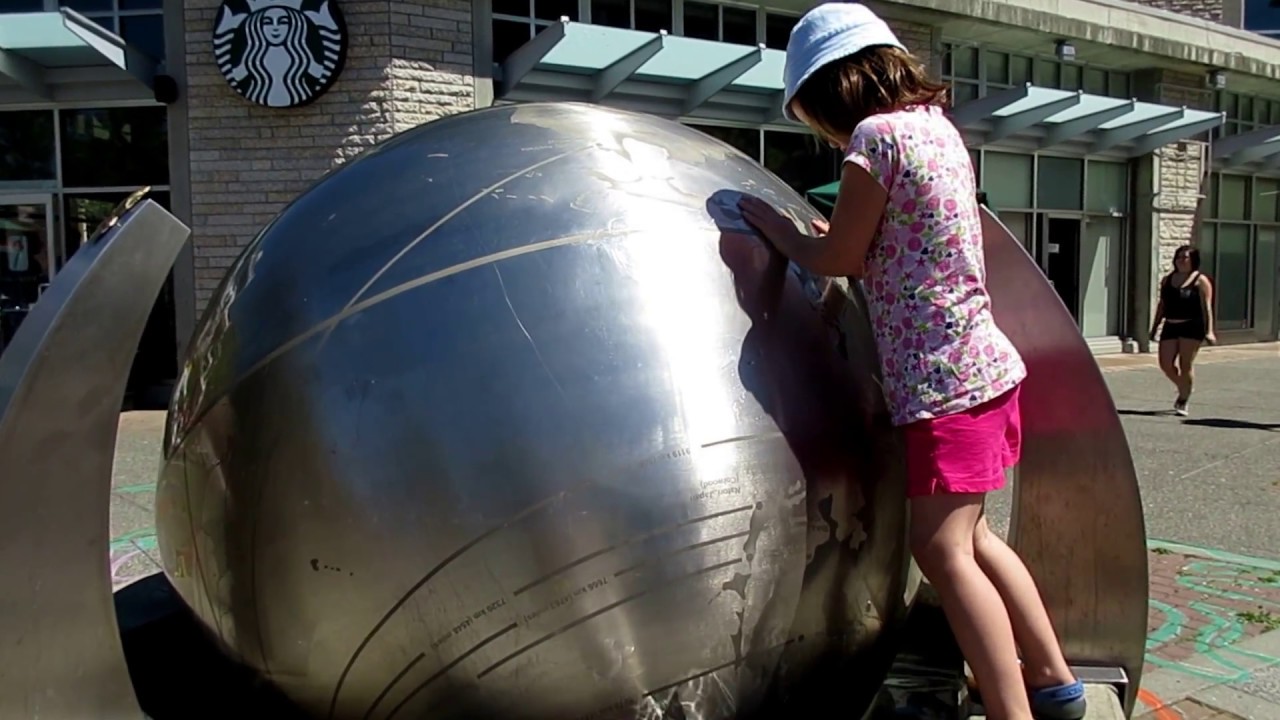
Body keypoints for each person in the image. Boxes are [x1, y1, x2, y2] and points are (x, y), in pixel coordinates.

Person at [735, 5, 1084, 720]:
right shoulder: (937, 131)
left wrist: (779, 231)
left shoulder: (875, 138)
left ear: (831, 90)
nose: (823, 132)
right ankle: (1055, 681)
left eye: (812, 115)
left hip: (939, 384)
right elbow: (901, 236)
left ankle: (1013, 711)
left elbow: (841, 257)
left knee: (942, 550)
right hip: (983, 369)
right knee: (975, 537)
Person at [1150, 245, 1215, 416]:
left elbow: (1206, 307)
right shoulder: (1167, 279)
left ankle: (1183, 399)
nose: (1181, 260)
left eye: (1185, 257)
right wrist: (1155, 326)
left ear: (1193, 260)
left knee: (1185, 364)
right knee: (1165, 364)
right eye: (1179, 257)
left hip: (1192, 326)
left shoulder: (1200, 280)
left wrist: (1209, 331)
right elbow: (1162, 305)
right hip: (1171, 324)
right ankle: (1184, 387)